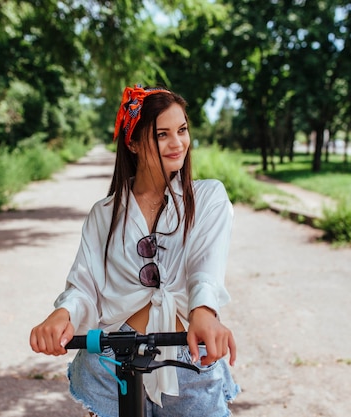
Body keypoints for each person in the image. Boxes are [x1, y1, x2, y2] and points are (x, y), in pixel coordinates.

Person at [30, 85, 239, 417]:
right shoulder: (105, 213)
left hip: (185, 353)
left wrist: (203, 312)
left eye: (182, 130)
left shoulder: (207, 198)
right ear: (133, 143)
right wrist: (63, 314)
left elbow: (205, 267)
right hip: (113, 359)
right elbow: (85, 285)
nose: (178, 143)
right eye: (162, 134)